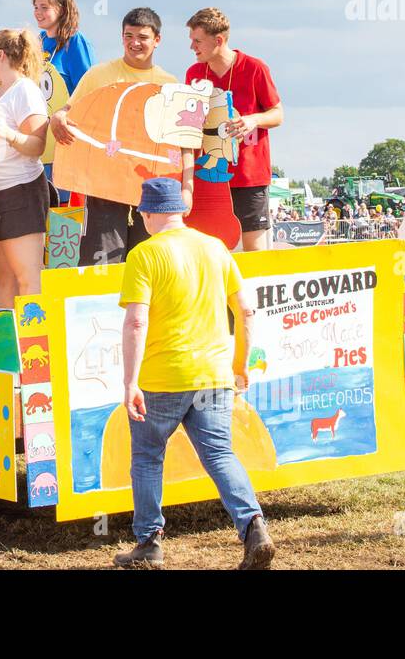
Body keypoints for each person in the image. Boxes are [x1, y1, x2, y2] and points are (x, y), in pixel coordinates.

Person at [113, 177, 275, 570]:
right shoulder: (216, 248)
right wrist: (240, 366)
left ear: (147, 213)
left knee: (148, 457)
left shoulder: (144, 255)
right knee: (220, 453)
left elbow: (137, 322)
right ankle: (254, 526)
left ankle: (149, 543)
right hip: (213, 376)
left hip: (161, 378)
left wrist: (130, 381)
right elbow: (247, 310)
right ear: (181, 210)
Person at [51, 7, 184, 265]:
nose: (135, 43)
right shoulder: (99, 75)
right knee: (102, 263)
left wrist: (185, 188)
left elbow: (182, 142)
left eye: (142, 37)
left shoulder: (170, 84)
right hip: (104, 188)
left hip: (150, 191)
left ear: (157, 40)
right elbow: (69, 111)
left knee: (148, 263)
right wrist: (58, 117)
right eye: (128, 36)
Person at [185, 8, 283, 252]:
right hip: (208, 175)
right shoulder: (194, 73)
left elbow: (278, 114)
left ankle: (255, 291)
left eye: (197, 41)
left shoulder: (255, 68)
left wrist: (253, 120)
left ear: (218, 41)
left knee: (254, 249)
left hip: (249, 176)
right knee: (207, 248)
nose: (192, 47)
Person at [0, 29, 50, 313]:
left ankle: (34, 349)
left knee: (27, 277)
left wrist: (8, 134)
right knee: (2, 278)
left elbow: (37, 145)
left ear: (1, 54)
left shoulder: (25, 90)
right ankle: (9, 347)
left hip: (20, 190)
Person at [34, 0, 92, 96]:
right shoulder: (39, 40)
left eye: (44, 7)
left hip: (70, 113)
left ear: (61, 10)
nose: (38, 12)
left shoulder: (74, 41)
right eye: (36, 7)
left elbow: (88, 88)